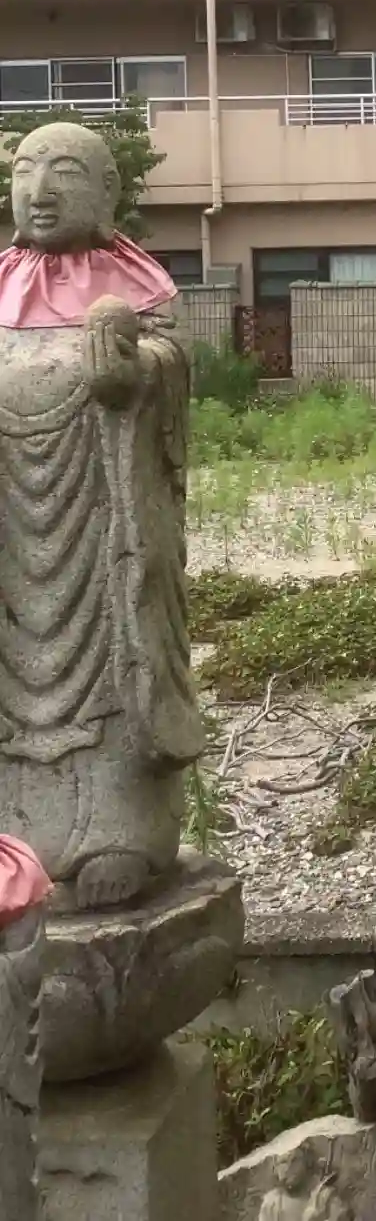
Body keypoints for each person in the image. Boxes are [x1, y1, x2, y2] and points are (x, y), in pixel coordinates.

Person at [0, 122, 201, 909]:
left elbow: (173, 370)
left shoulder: (136, 290)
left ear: (108, 192)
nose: (39, 192)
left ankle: (121, 832)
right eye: (25, 171)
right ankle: (16, 836)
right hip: (11, 538)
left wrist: (137, 369)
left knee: (119, 666)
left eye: (64, 172)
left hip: (107, 534)